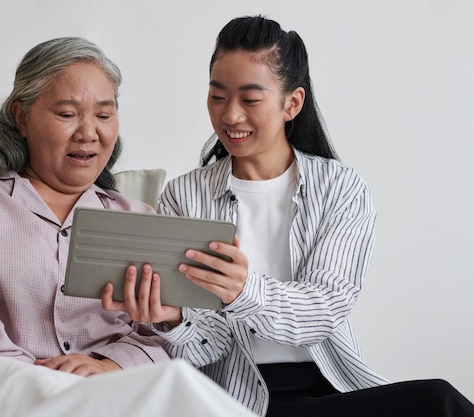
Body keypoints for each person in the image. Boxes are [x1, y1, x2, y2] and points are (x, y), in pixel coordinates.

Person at [102, 15, 474, 417]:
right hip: (234, 397)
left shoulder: (341, 188)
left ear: (291, 103)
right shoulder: (183, 195)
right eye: (217, 96)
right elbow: (206, 346)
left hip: (333, 386)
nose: (230, 116)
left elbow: (324, 310)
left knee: (438, 401)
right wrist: (172, 319)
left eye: (250, 99)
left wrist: (244, 291)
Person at [0, 37, 259, 417]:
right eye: (68, 114)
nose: (89, 132)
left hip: (103, 395)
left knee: (177, 387)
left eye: (104, 115)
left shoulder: (136, 218)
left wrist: (114, 363)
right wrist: (34, 376)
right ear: (21, 117)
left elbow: (166, 339)